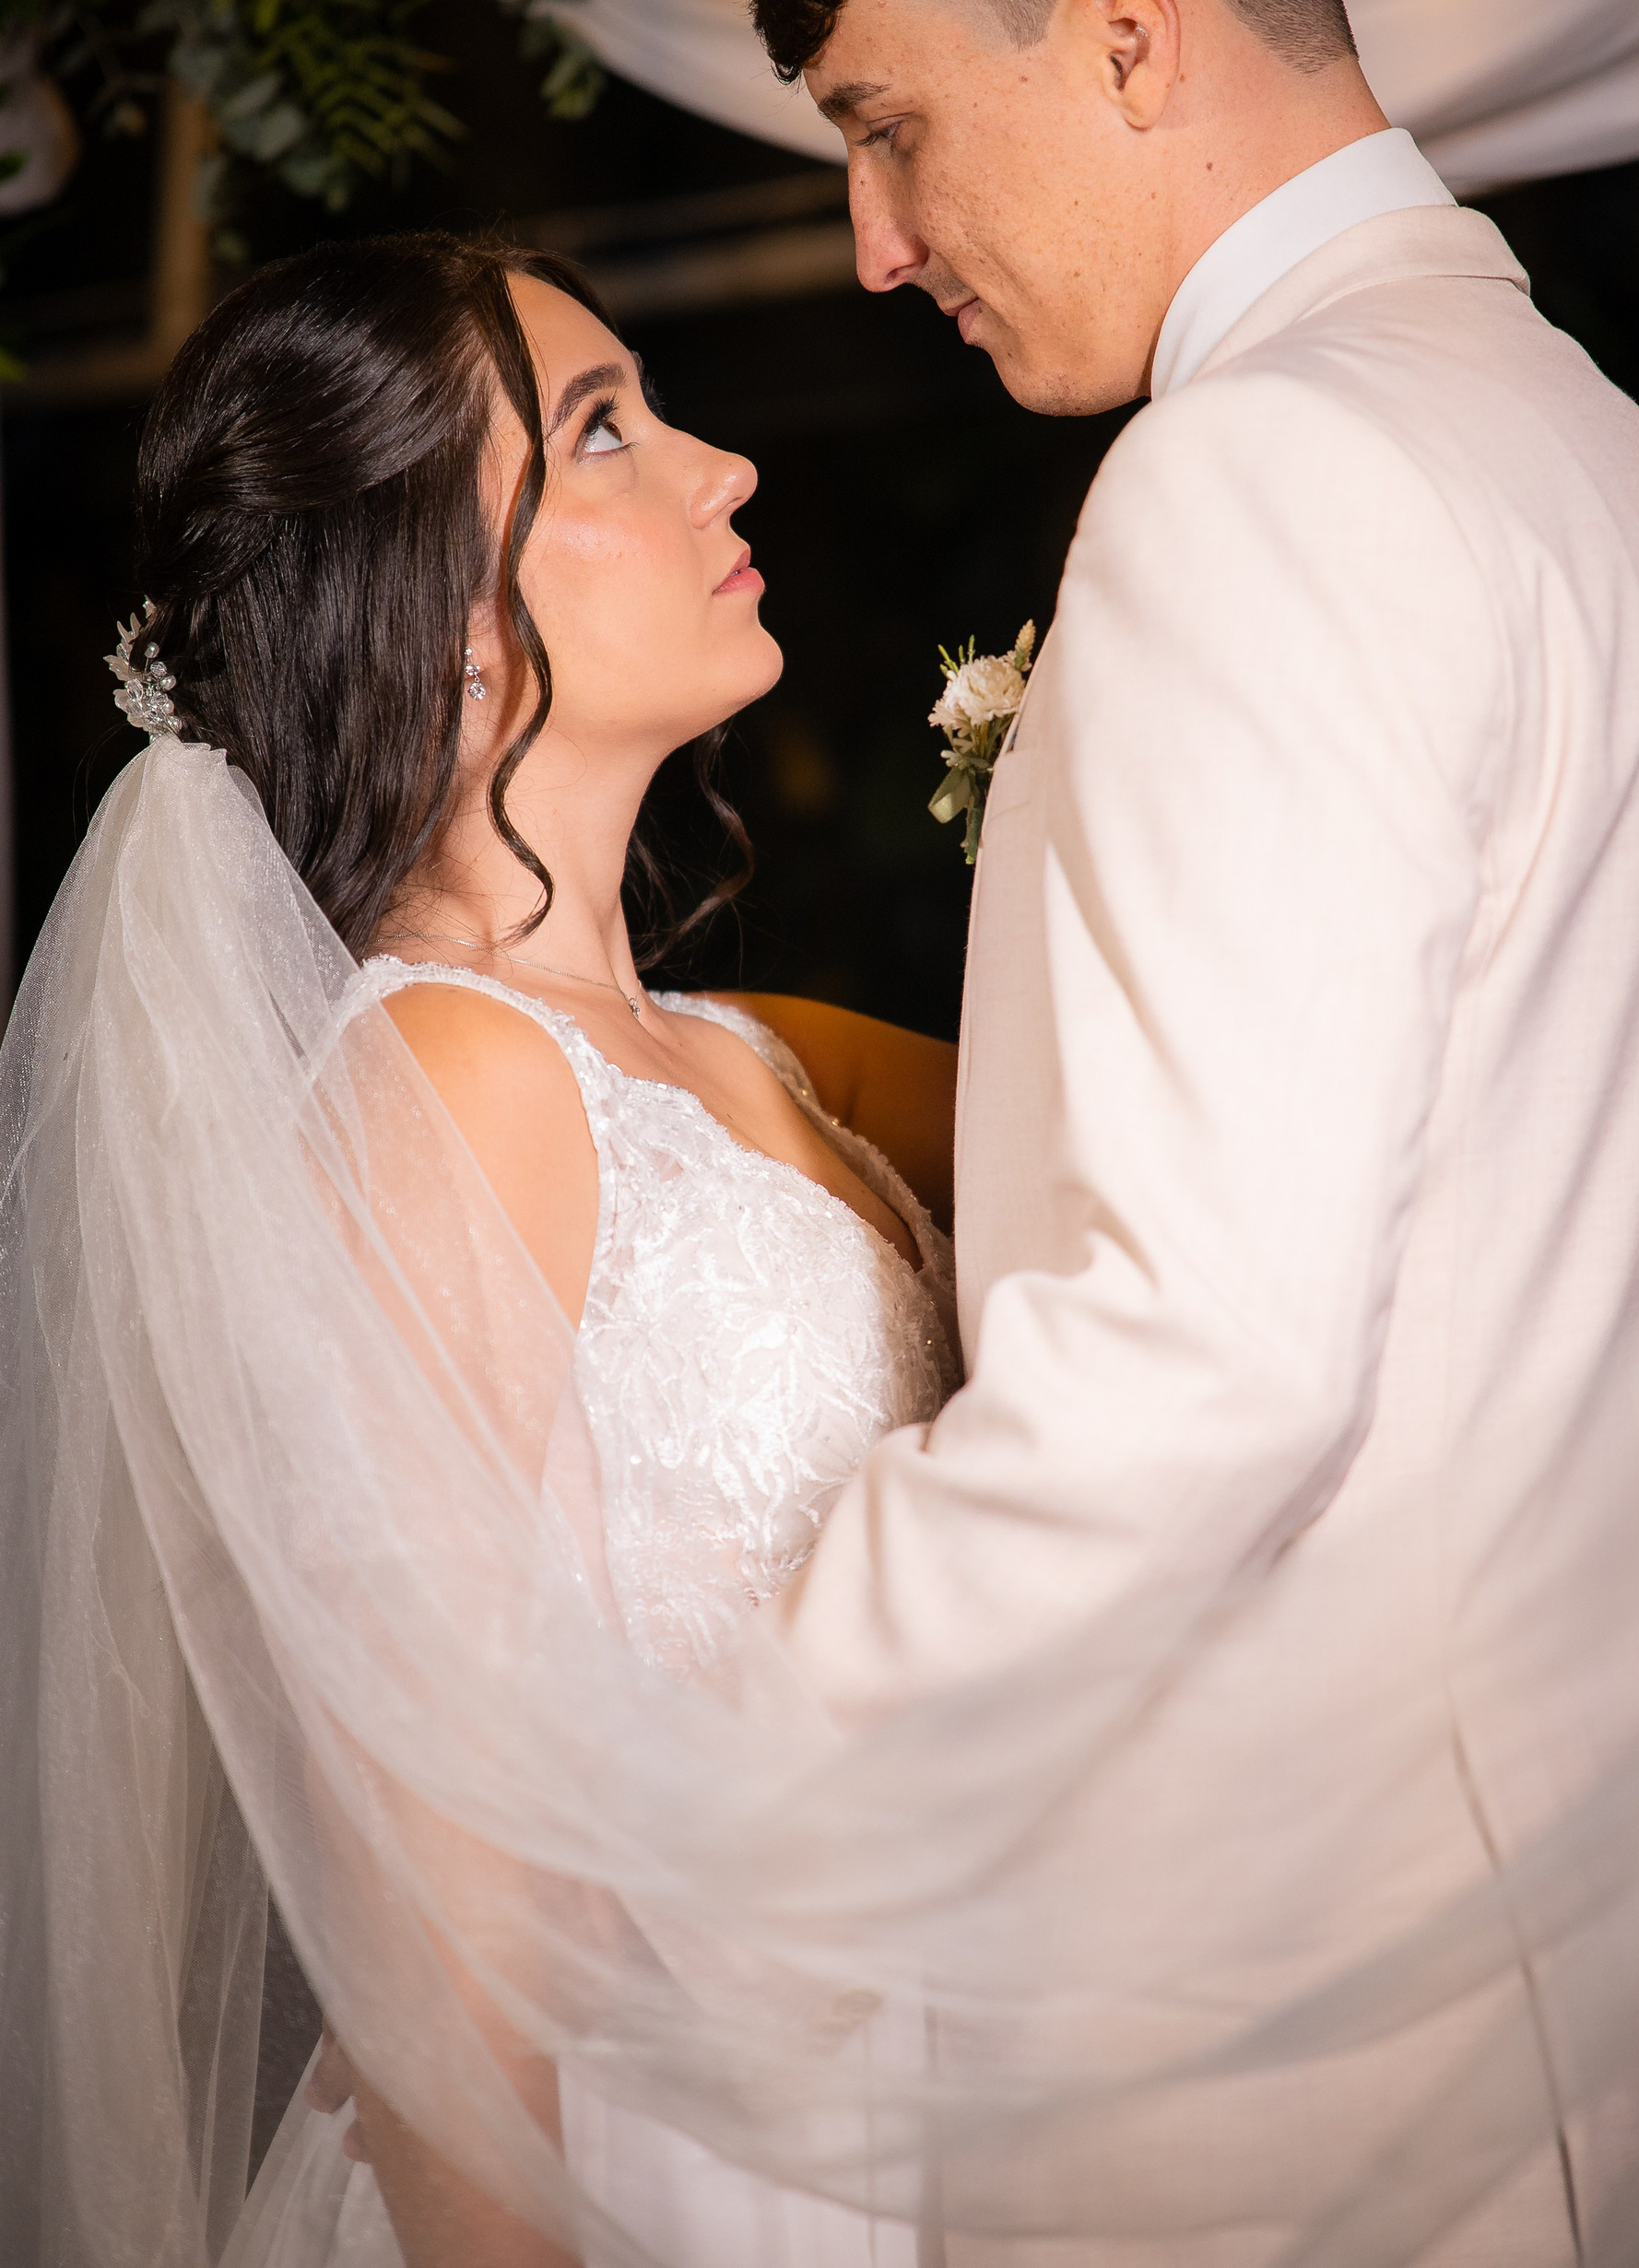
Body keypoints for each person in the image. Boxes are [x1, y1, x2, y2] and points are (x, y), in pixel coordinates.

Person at [742, 0, 1639, 2264]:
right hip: (1628, 1981)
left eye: (888, 128)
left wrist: (725, 1762)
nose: (875, 249)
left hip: (1312, 2059)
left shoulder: (1262, 483)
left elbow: (1199, 1360)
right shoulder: (1593, 463)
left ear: (1121, 30)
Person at [0, 230, 962, 2268]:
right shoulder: (446, 1083)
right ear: (435, 613)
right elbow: (434, 1910)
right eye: (604, 432)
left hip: (880, 2107)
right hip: (635, 2168)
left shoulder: (740, 1054)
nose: (723, 469)